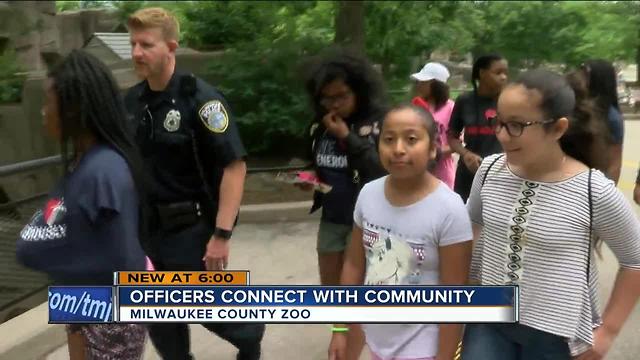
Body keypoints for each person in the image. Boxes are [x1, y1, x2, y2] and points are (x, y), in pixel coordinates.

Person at [461, 69, 640, 359]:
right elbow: (473, 229)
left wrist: (607, 332)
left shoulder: (594, 189)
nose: (503, 136)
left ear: (557, 128)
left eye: (517, 125)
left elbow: (635, 261)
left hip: (556, 333)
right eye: (499, 122)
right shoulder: (490, 170)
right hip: (488, 320)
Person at [123, 7, 264, 360]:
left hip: (189, 230)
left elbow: (234, 167)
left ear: (171, 47)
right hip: (144, 232)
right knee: (160, 322)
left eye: (147, 44)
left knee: (214, 314)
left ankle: (251, 336)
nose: (137, 53)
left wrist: (222, 235)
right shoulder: (130, 103)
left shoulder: (201, 100)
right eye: (133, 44)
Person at [16, 50, 147, 359]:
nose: (43, 111)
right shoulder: (84, 164)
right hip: (81, 308)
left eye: (49, 102)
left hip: (106, 321)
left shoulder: (103, 172)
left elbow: (122, 259)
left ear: (74, 108)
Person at [327, 104, 472, 360]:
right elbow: (353, 266)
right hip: (377, 340)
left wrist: (446, 356)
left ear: (432, 148)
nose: (398, 149)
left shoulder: (449, 209)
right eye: (389, 139)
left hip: (424, 347)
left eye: (411, 139)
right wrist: (340, 328)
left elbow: (456, 295)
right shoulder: (368, 194)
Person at [299, 48, 387, 360]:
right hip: (332, 218)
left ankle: (348, 352)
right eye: (327, 98)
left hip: (364, 223)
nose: (333, 104)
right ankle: (345, 342)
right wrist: (309, 176)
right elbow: (317, 161)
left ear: (359, 91)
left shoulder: (378, 125)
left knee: (355, 297)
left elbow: (382, 169)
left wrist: (348, 137)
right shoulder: (319, 124)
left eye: (341, 96)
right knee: (333, 294)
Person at [447, 54, 508, 202]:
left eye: (506, 73)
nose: (504, 77)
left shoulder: (509, 101)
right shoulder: (464, 101)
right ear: (482, 73)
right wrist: (466, 154)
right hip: (468, 174)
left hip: (501, 174)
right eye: (498, 72)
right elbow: (451, 137)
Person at [568, 60, 625, 184]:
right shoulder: (573, 108)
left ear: (599, 80)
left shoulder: (611, 117)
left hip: (592, 183)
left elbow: (615, 162)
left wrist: (607, 192)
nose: (580, 78)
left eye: (585, 75)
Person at [410, 62, 456, 188]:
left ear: (436, 85)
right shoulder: (416, 107)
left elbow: (457, 143)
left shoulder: (451, 108)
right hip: (419, 168)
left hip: (443, 171)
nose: (419, 85)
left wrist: (436, 152)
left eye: (424, 82)